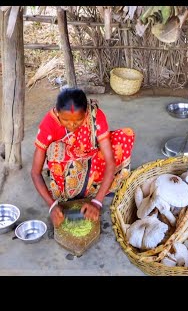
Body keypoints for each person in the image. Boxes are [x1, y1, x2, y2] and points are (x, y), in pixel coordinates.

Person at [31, 88, 135, 228]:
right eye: (65, 120)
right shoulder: (48, 124)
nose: (72, 125)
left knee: (124, 137)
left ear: (86, 114)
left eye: (78, 120)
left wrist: (97, 202)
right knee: (55, 151)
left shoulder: (95, 116)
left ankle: (94, 190)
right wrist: (52, 206)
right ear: (57, 112)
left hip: (91, 156)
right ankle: (77, 190)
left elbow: (110, 162)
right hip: (68, 164)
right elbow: (35, 172)